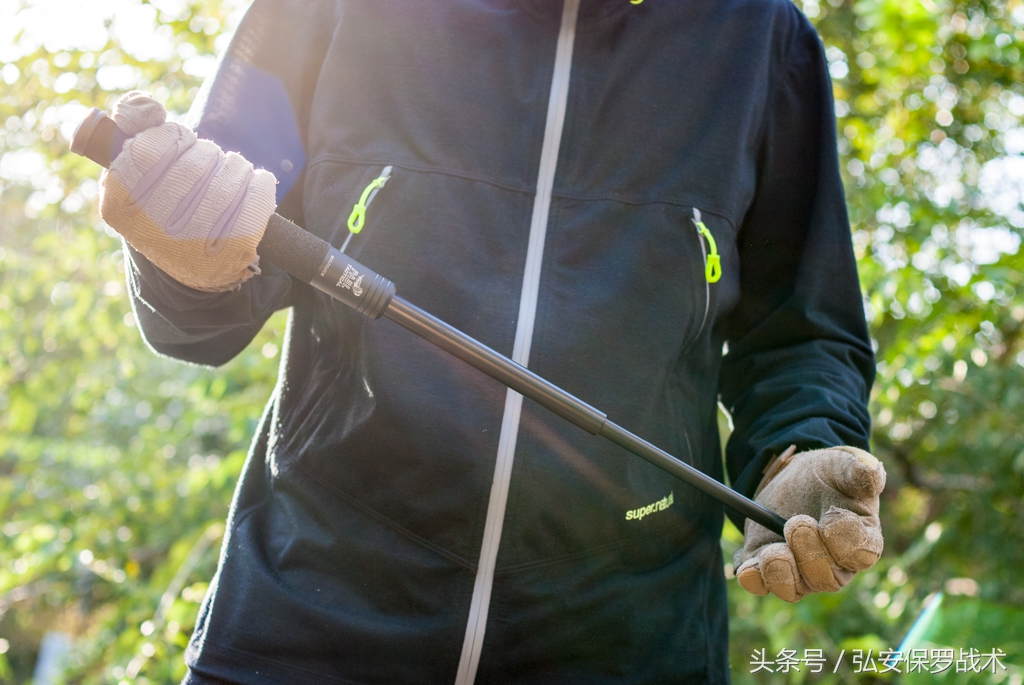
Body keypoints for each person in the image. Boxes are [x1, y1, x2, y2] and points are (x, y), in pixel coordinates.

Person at [98, 0, 886, 682]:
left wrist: (799, 447)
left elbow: (804, 329)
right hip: (306, 619)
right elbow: (206, 310)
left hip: (630, 643)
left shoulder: (761, 37)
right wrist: (181, 257)